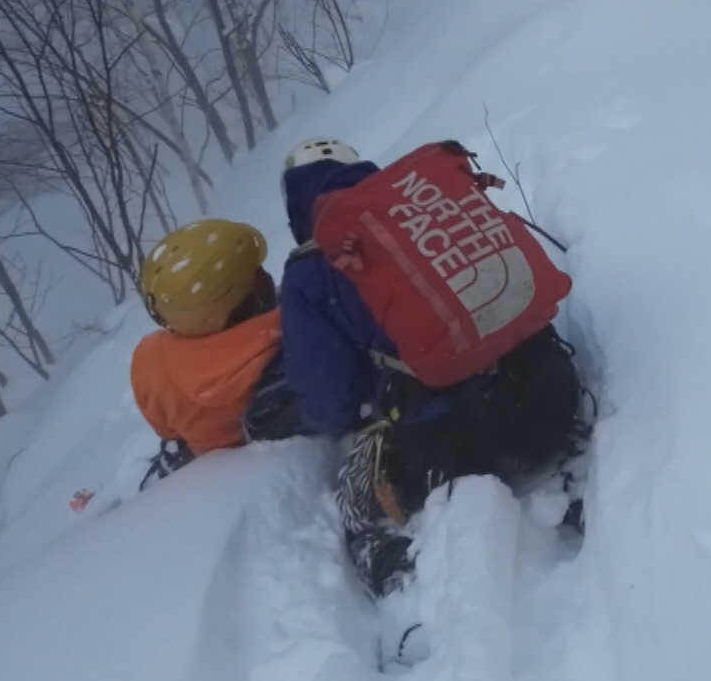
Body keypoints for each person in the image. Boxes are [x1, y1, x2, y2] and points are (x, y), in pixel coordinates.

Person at [276, 137, 587, 595]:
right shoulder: (429, 205)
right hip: (550, 392)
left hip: (448, 448)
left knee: (357, 478)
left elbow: (329, 398)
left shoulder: (308, 272)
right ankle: (575, 474)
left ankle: (387, 559)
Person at [129, 219, 302, 485]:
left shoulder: (149, 362)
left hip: (198, 461)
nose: (267, 277)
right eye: (256, 275)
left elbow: (165, 429)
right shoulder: (291, 333)